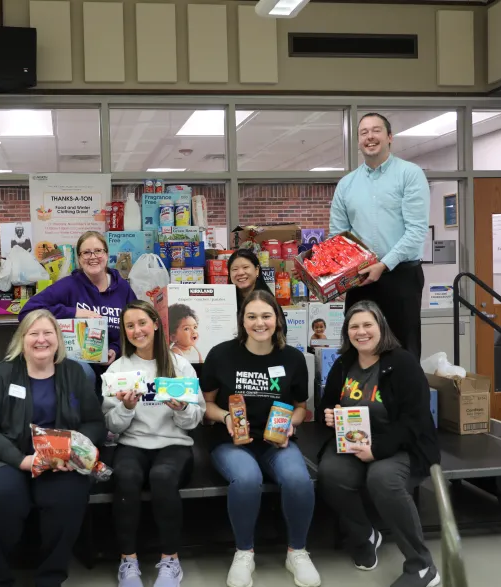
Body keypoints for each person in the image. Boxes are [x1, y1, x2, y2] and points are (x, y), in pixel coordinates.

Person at [0, 309, 106, 587]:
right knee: (0, 496)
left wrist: (73, 448)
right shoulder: (3, 373)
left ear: (58, 339)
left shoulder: (74, 372)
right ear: (22, 339)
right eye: (34, 333)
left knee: (68, 496)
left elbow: (94, 422)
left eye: (48, 333)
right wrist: (21, 460)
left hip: (59, 459)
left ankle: (50, 578)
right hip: (4, 457)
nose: (41, 340)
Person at [200, 290, 320, 587]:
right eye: (251, 316)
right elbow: (205, 406)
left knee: (298, 479)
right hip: (230, 442)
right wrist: (227, 417)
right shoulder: (221, 354)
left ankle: (298, 551)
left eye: (266, 316)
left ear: (277, 320)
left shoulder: (292, 358)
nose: (259, 323)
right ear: (242, 321)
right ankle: (244, 552)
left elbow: (302, 409)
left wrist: (290, 425)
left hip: (276, 441)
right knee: (247, 478)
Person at [317, 300, 440, 587]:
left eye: (367, 325)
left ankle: (422, 566)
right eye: (354, 326)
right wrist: (329, 415)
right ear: (347, 331)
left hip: (403, 447)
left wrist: (377, 450)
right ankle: (364, 535)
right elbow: (329, 402)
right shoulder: (344, 362)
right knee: (330, 474)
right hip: (354, 443)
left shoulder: (403, 363)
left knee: (382, 478)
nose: (361, 332)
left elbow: (416, 421)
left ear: (381, 327)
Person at [103, 300, 206, 587]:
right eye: (130, 326)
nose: (138, 330)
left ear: (156, 324)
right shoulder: (119, 370)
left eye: (142, 323)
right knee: (126, 475)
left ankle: (170, 560)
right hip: (132, 444)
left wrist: (180, 409)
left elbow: (195, 417)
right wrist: (125, 408)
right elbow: (111, 425)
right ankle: (129, 560)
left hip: (174, 444)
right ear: (125, 331)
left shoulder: (180, 365)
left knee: (163, 476)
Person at [329, 113, 429, 359]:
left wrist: (383, 265)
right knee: (359, 347)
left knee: (402, 348)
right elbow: (337, 237)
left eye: (376, 131)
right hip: (360, 279)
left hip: (401, 276)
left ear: (389, 137)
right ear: (358, 140)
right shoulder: (346, 184)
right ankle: (362, 397)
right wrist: (339, 274)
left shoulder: (409, 174)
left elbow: (416, 230)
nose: (370, 137)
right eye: (364, 132)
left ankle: (402, 398)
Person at [20, 230, 137, 389]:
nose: (93, 257)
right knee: (83, 373)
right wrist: (74, 312)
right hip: (78, 361)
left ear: (107, 255)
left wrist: (115, 349)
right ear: (80, 259)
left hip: (114, 360)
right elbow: (27, 311)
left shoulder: (123, 288)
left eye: (98, 251)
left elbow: (133, 325)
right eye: (86, 253)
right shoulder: (69, 285)